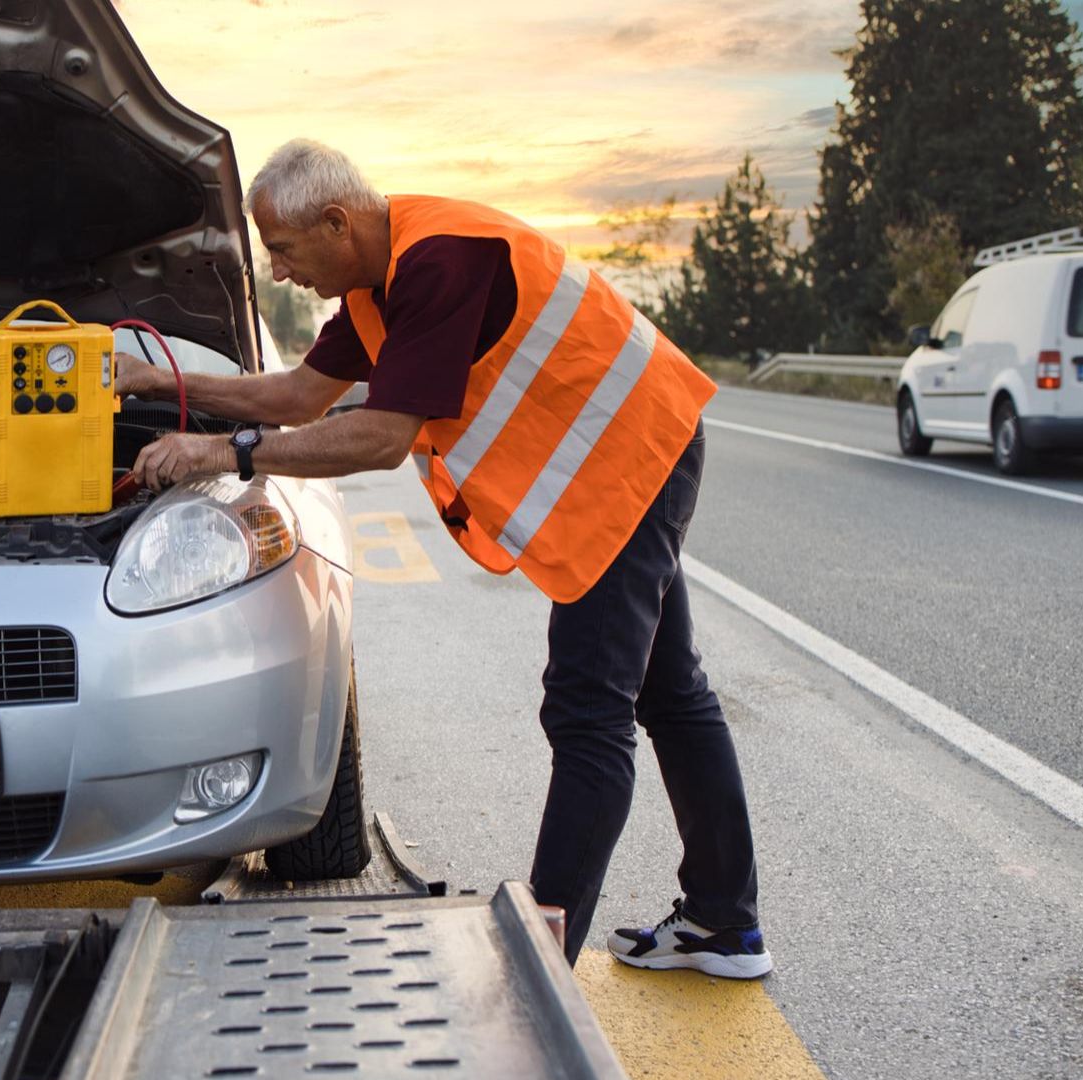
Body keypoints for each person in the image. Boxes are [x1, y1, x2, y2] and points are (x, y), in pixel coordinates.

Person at [114, 139, 771, 978]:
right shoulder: (374, 287)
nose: (277, 270)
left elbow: (382, 439)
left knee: (587, 710)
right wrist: (149, 382)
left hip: (633, 455)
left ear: (336, 220)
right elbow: (294, 396)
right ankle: (724, 921)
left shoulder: (441, 261)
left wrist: (225, 455)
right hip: (624, 454)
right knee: (671, 692)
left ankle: (541, 961)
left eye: (281, 248)